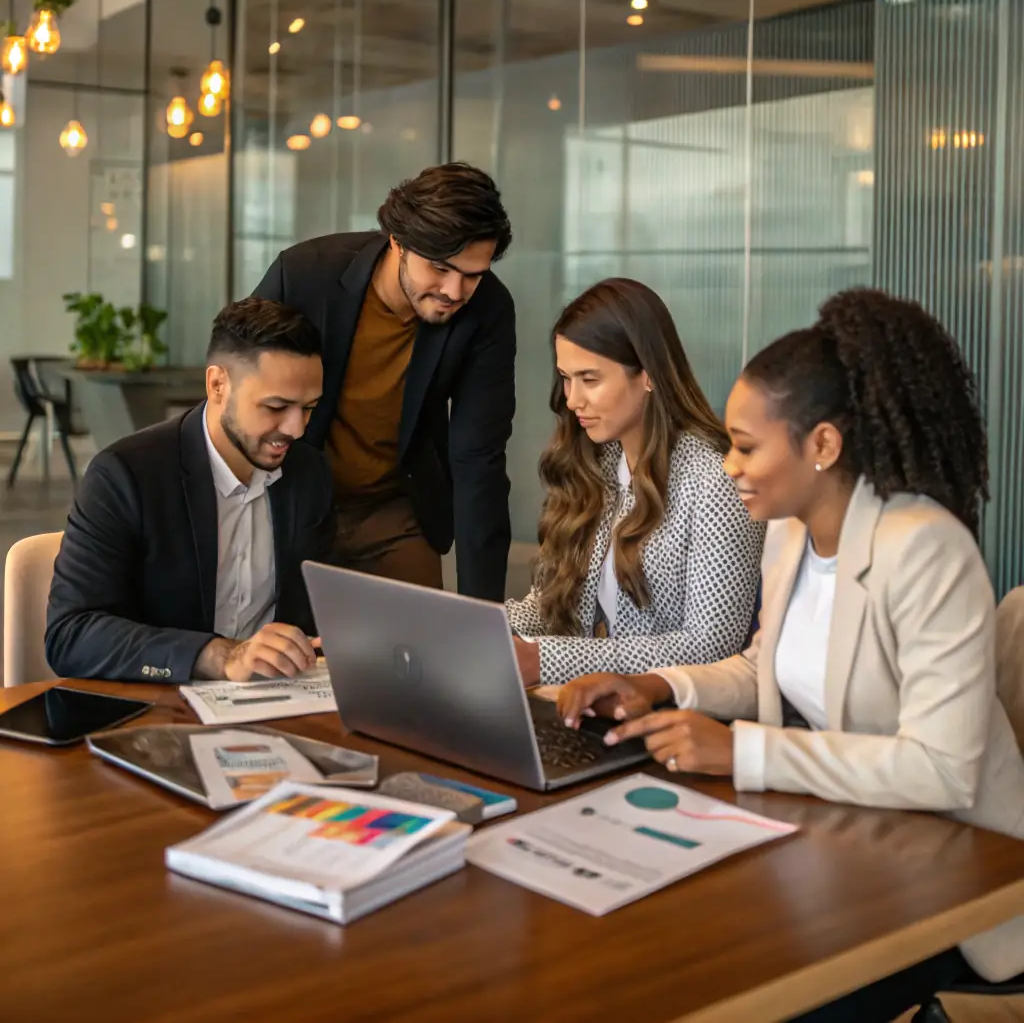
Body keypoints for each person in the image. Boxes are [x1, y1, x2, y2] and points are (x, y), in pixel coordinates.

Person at [558, 288, 1024, 1017]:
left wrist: (743, 751)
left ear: (823, 445)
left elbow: (942, 767)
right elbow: (761, 666)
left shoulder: (927, 549)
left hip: (958, 877)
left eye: (747, 446)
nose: (731, 465)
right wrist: (656, 684)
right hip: (846, 840)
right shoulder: (791, 529)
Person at [254, 162, 515, 601]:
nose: (454, 290)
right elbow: (242, 389)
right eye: (439, 268)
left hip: (396, 512)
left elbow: (479, 457)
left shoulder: (486, 308)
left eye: (473, 273)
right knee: (286, 656)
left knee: (421, 659)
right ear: (397, 242)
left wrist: (485, 614)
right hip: (294, 499)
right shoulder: (304, 275)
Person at [45, 298, 333, 685]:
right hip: (160, 708)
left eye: (309, 408)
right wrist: (220, 655)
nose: (296, 429)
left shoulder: (309, 473)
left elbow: (320, 608)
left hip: (280, 704)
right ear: (217, 385)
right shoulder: (126, 474)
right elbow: (71, 635)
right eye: (276, 406)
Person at [506, 278, 763, 689]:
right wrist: (485, 630)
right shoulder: (598, 461)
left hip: (671, 721)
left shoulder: (714, 482)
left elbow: (711, 648)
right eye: (566, 378)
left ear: (647, 375)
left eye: (590, 380)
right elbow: (552, 605)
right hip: (586, 704)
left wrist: (547, 660)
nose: (572, 400)